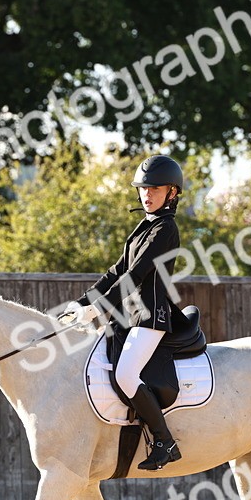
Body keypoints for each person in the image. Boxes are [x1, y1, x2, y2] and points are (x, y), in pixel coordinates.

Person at [63, 154, 188, 470]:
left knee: (125, 374)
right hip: (128, 318)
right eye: (143, 188)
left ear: (172, 193)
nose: (147, 194)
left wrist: (99, 308)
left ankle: (164, 441)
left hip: (152, 317)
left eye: (155, 189)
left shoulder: (165, 229)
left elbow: (136, 275)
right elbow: (115, 271)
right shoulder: (143, 228)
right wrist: (80, 304)